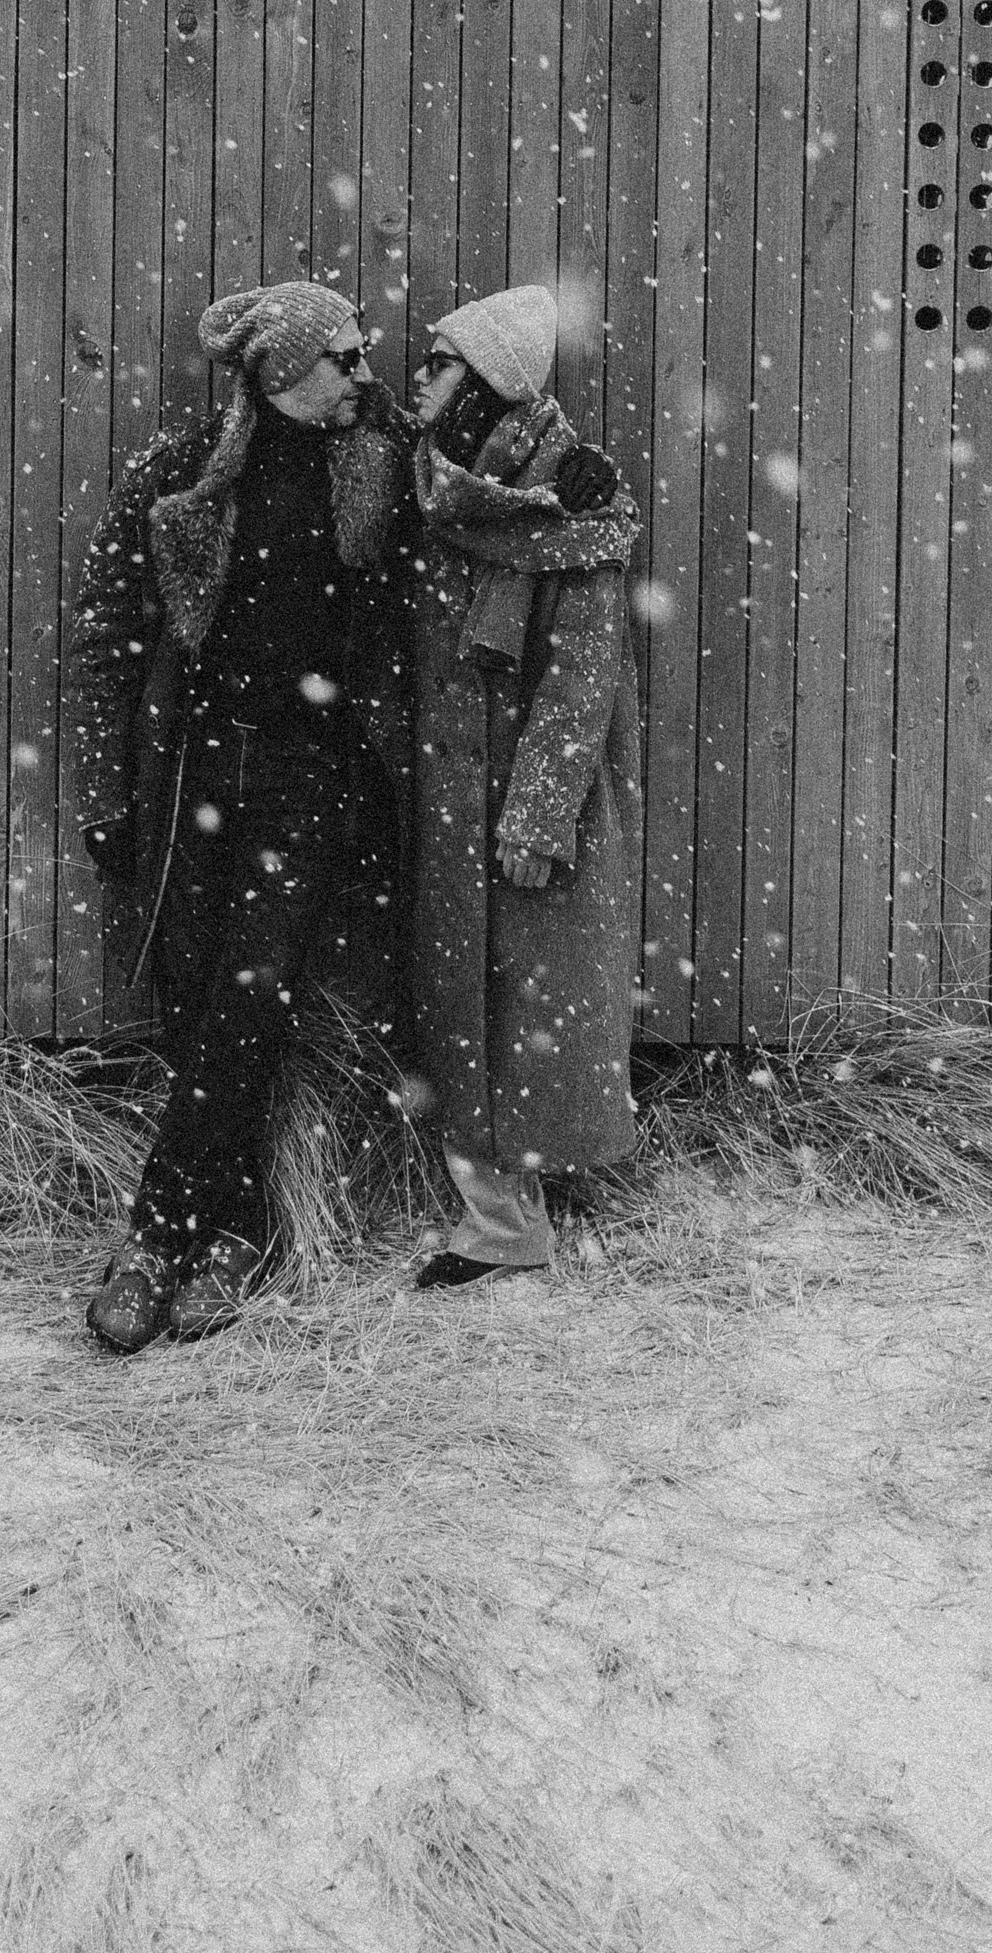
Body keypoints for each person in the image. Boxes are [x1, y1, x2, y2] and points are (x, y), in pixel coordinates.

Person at [68, 281, 416, 1353]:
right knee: (195, 1002)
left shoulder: (381, 466)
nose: (364, 372)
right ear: (281, 374)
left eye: (362, 353)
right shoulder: (178, 476)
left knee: (251, 998)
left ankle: (154, 1240)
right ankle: (242, 1231)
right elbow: (107, 639)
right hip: (196, 774)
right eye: (343, 358)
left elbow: (480, 497)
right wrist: (107, 790)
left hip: (311, 779)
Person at [407, 284, 644, 1284]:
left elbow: (584, 676)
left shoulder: (573, 502)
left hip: (530, 799)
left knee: (527, 1014)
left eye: (440, 364)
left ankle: (522, 1217)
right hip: (440, 789)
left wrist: (539, 817)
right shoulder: (433, 478)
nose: (419, 378)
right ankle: (498, 1221)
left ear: (487, 385)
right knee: (456, 1011)